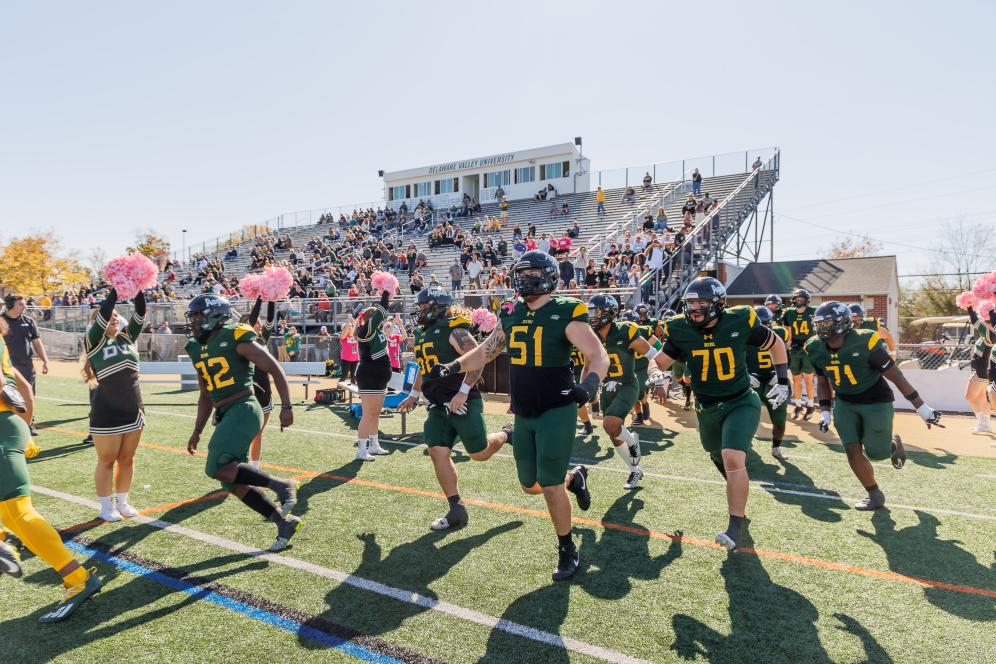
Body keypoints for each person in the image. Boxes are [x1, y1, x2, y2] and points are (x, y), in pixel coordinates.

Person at [430, 250, 609, 580]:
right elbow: (486, 351)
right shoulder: (511, 314)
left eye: (532, 274)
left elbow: (597, 353)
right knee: (531, 485)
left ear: (549, 275)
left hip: (557, 408)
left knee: (551, 485)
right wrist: (454, 366)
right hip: (523, 412)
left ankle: (567, 548)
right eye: (521, 274)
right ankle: (576, 477)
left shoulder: (566, 310)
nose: (525, 280)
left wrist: (591, 383)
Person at [654, 277, 790, 551]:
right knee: (717, 454)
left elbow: (775, 344)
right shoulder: (680, 328)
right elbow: (658, 362)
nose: (694, 308)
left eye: (701, 303)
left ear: (718, 303)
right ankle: (737, 485)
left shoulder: (739, 320)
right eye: (691, 303)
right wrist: (658, 377)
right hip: (706, 407)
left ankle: (735, 527)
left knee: (732, 456)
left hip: (741, 401)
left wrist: (783, 380)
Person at [0, 317, 104, 621]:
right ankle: (8, 544)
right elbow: (22, 387)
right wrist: (23, 424)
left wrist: (17, 428)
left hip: (3, 432)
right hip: (7, 428)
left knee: (19, 513)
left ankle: (78, 578)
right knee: (11, 514)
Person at [184, 295, 302, 552]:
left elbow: (274, 367)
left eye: (197, 316)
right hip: (226, 413)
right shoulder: (195, 346)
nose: (192, 322)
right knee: (231, 480)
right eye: (191, 317)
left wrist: (287, 405)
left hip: (244, 408)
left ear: (214, 315)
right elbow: (205, 394)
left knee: (216, 466)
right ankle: (282, 522)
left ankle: (282, 485)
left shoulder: (235, 335)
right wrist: (196, 431)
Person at [806, 302, 941, 510]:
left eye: (826, 323)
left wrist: (921, 407)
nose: (821, 328)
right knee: (852, 450)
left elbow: (896, 376)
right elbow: (822, 380)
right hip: (845, 401)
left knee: (877, 454)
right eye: (819, 324)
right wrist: (825, 410)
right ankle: (874, 494)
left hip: (875, 400)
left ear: (842, 322)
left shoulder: (865, 341)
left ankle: (892, 445)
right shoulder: (814, 347)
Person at [399, 288, 513, 530]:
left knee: (479, 453)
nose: (419, 310)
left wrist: (462, 391)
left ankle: (506, 434)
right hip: (438, 405)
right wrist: (413, 393)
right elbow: (424, 366)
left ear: (437, 306)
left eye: (423, 306)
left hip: (462, 401)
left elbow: (478, 358)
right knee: (436, 451)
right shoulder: (422, 333)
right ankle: (456, 508)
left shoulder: (455, 329)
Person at [588, 295, 668, 490]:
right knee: (613, 433)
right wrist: (586, 387)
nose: (592, 316)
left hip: (627, 385)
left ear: (609, 312)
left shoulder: (626, 330)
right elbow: (588, 363)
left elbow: (653, 355)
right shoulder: (591, 334)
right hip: (607, 387)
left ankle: (633, 440)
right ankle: (635, 471)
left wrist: (658, 379)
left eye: (596, 312)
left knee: (610, 424)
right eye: (590, 312)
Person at [83, 288, 147, 521]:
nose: (115, 318)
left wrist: (137, 286)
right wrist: (116, 290)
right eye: (110, 316)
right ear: (99, 321)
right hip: (106, 411)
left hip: (133, 409)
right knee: (107, 460)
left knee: (127, 459)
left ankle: (123, 502)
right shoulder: (94, 342)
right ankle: (105, 507)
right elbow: (106, 311)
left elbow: (140, 312)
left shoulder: (127, 337)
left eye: (117, 316)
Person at [353, 289, 394, 461]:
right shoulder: (365, 331)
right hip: (369, 375)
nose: (382, 320)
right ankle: (361, 450)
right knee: (368, 414)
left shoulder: (376, 331)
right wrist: (386, 291)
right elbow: (383, 309)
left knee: (375, 413)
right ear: (372, 319)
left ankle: (374, 445)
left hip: (378, 377)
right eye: (379, 318)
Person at [1, 294, 49, 436]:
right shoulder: (1, 321)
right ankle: (9, 423)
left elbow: (37, 342)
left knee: (29, 395)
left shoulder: (29, 321)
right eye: (20, 304)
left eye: (24, 304)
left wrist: (45, 360)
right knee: (7, 396)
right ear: (11, 306)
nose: (25, 306)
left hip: (26, 365)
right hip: (7, 367)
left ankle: (28, 424)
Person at [747, 306, 790, 460]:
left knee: (779, 419)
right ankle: (743, 445)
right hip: (752, 380)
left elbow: (786, 357)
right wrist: (745, 375)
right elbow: (734, 358)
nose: (763, 328)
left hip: (774, 380)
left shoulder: (780, 333)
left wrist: (781, 376)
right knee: (747, 415)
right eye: (760, 324)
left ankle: (776, 447)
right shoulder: (743, 334)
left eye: (766, 324)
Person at [244, 298, 276, 469]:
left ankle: (254, 467)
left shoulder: (263, 339)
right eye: (256, 323)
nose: (260, 324)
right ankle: (239, 463)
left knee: (258, 433)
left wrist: (272, 296)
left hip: (264, 390)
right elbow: (252, 318)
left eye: (260, 324)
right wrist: (259, 298)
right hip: (246, 389)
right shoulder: (245, 339)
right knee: (243, 431)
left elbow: (270, 318)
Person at [782, 288, 817, 420]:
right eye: (797, 298)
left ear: (806, 300)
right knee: (795, 379)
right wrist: (787, 344)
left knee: (808, 380)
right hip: (795, 349)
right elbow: (787, 332)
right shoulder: (789, 313)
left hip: (808, 349)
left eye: (801, 299)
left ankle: (811, 405)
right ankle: (798, 405)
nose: (799, 301)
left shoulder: (813, 312)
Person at [963, 305, 993, 434]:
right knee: (981, 398)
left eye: (986, 320)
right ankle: (986, 424)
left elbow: (975, 321)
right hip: (982, 370)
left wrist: (969, 307)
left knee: (969, 397)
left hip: (980, 371)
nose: (984, 321)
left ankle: (981, 423)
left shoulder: (990, 334)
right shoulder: (988, 334)